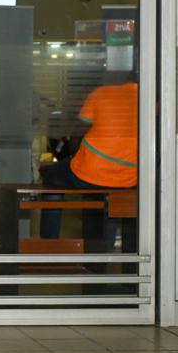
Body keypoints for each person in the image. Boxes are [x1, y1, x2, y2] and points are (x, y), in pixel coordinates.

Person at [40, 79, 139, 253]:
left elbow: (78, 134)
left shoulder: (102, 93)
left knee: (51, 176)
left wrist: (73, 155)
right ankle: (105, 251)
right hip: (129, 178)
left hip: (90, 172)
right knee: (110, 198)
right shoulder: (149, 99)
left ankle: (49, 243)